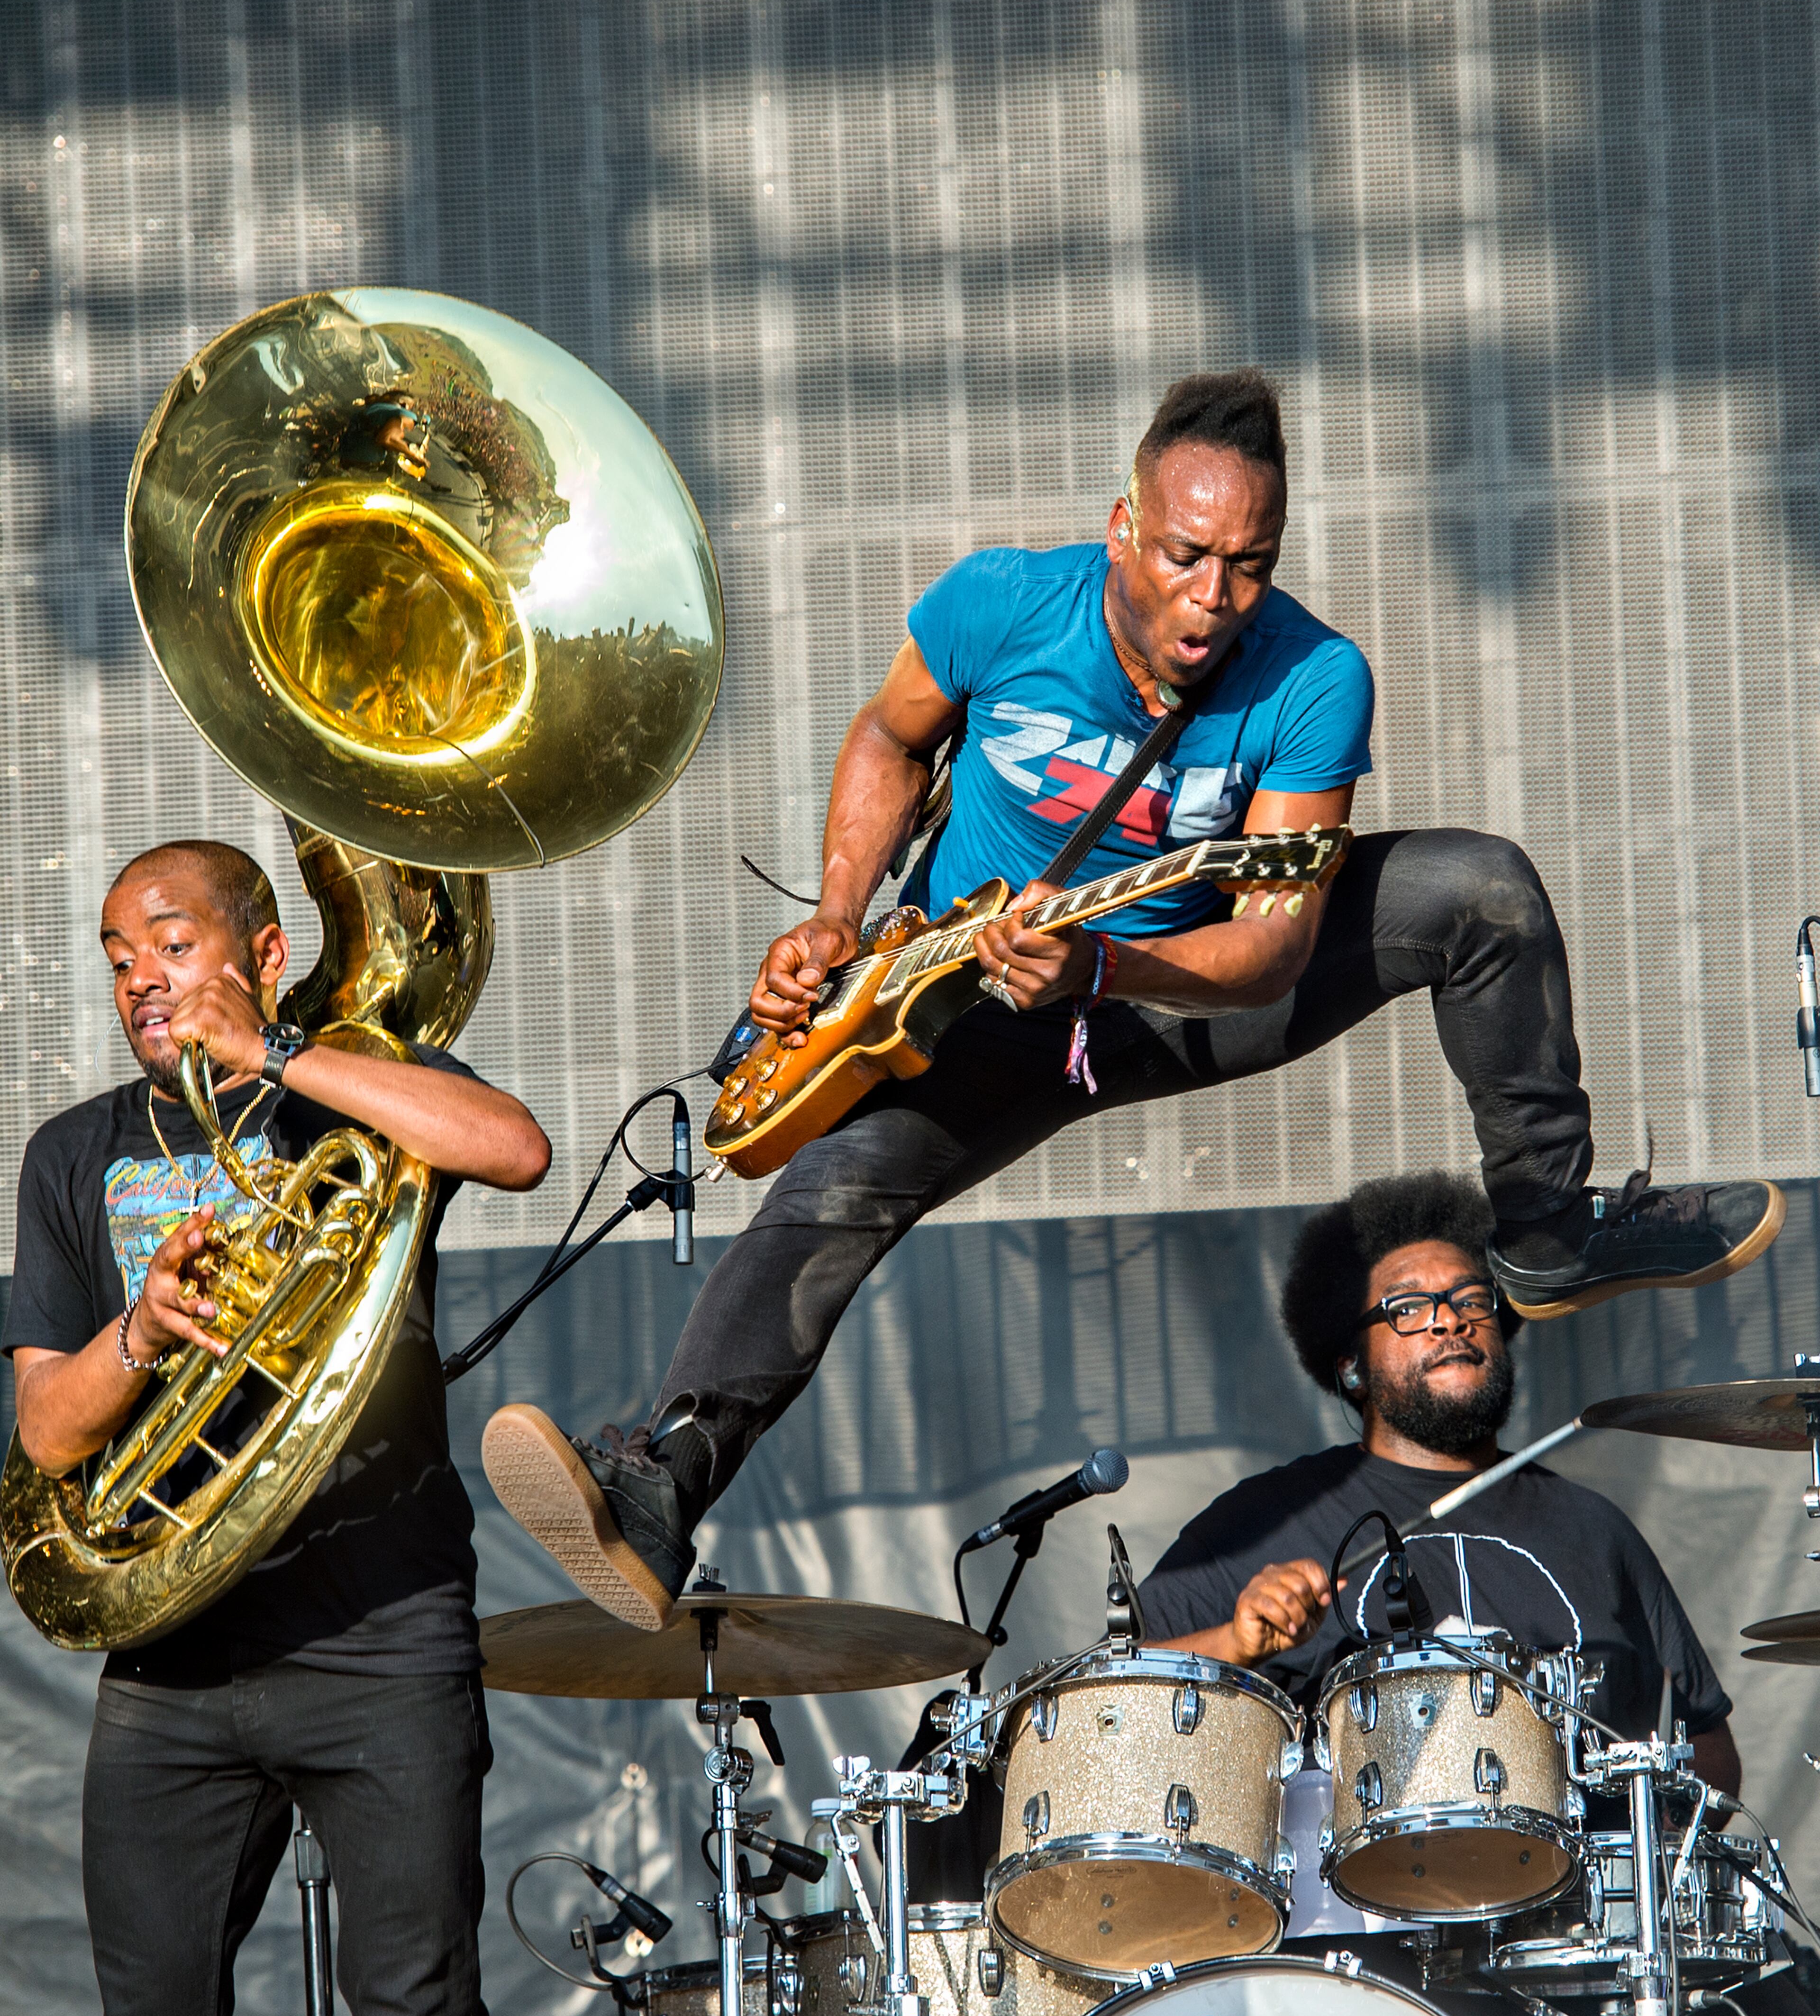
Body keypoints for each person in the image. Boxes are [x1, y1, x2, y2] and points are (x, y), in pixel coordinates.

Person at [480, 369, 1782, 1631]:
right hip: (973, 998)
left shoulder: (1314, 679)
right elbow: (889, 736)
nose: (1212, 598)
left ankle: (1547, 1231)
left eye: (1249, 565)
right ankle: (663, 1484)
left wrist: (1106, 965)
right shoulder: (1000, 603)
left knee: (1478, 891)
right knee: (838, 1187)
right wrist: (834, 913)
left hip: (1178, 990)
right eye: (1183, 554)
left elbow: (1274, 942)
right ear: (1123, 526)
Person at [3, 841, 551, 2016]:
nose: (141, 979)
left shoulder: (348, 1094)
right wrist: (141, 1332)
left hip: (377, 1640)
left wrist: (283, 1057)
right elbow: (47, 1429)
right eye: (119, 957)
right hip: (172, 1664)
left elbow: (514, 1148)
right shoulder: (73, 1153)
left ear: (260, 952)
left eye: (172, 945)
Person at [1137, 1168, 1820, 2016]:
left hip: (1589, 1946)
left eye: (1470, 1301)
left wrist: (1641, 1835)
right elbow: (1123, 1709)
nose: (1451, 1319)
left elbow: (1705, 1748)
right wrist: (1235, 1637)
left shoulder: (1593, 1530)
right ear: (1352, 1362)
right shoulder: (1262, 1523)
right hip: (1372, 1953)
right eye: (1409, 1307)